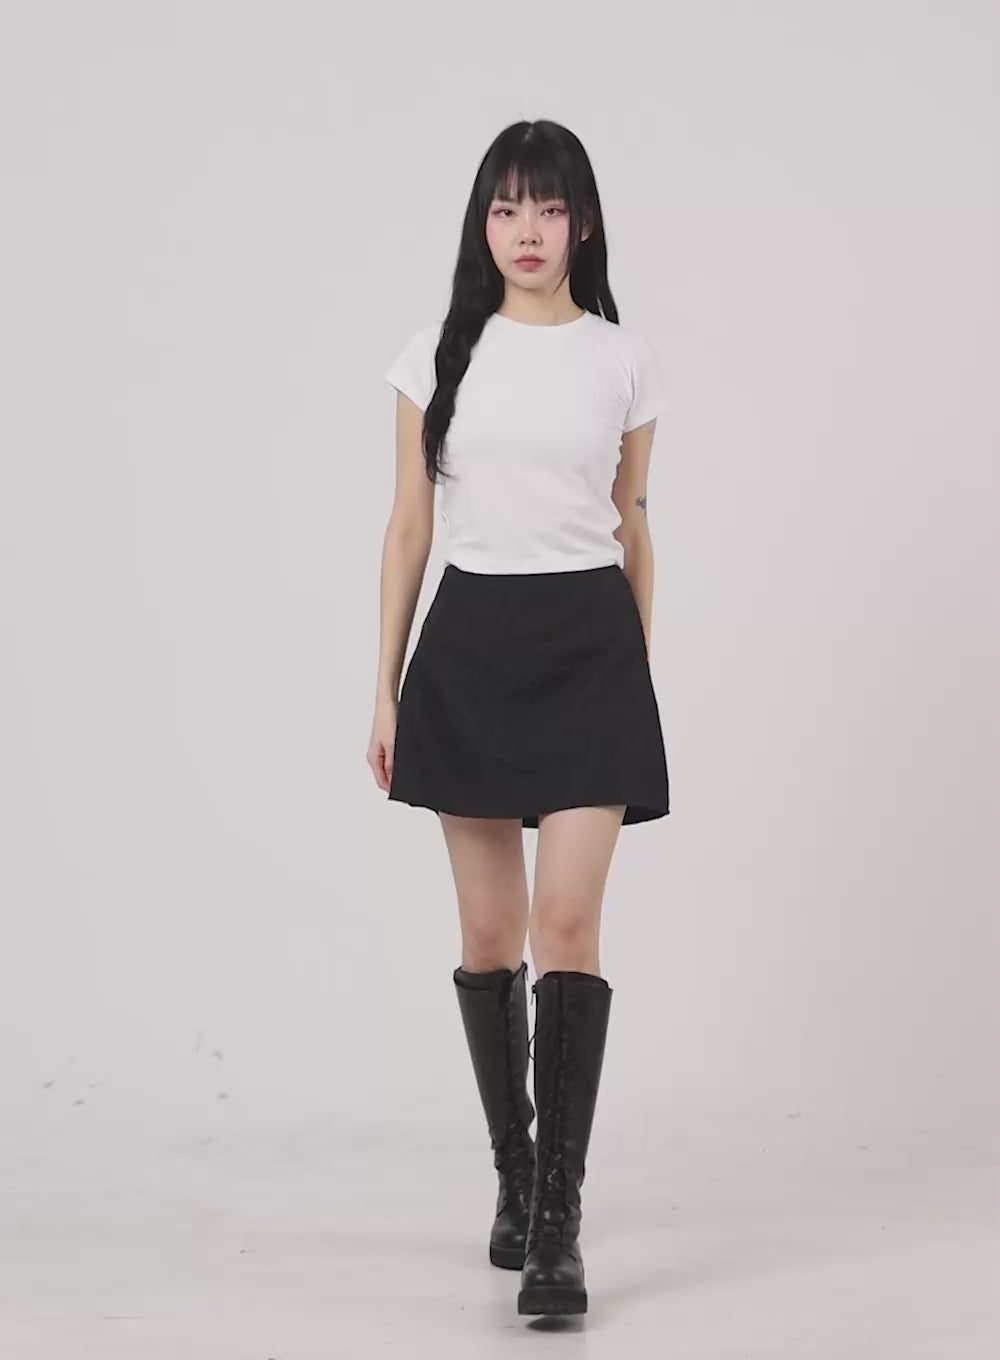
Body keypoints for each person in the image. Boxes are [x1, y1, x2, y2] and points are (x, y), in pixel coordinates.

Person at [366, 118, 670, 1319]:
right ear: (481, 223)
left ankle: (557, 1218)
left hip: (590, 648)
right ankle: (511, 1166)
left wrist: (636, 672)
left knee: (568, 923)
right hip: (471, 650)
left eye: (548, 208)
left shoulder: (623, 360)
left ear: (581, 223)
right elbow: (407, 528)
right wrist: (383, 685)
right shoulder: (433, 356)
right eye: (506, 207)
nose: (526, 230)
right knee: (491, 935)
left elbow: (633, 522)